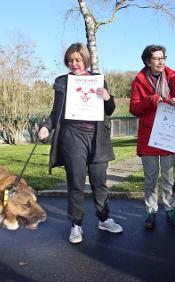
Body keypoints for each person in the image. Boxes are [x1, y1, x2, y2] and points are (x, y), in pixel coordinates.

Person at [39, 43, 123, 244]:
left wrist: (107, 97)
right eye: (70, 60)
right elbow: (55, 112)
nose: (74, 64)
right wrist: (45, 127)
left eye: (77, 59)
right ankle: (76, 225)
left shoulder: (98, 80)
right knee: (76, 182)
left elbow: (110, 109)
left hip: (97, 137)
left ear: (85, 59)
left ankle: (104, 219)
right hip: (72, 136)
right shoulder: (62, 82)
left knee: (99, 181)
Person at [129, 45, 175, 230]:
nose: (161, 61)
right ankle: (151, 211)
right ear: (148, 61)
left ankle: (170, 209)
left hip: (168, 133)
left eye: (163, 57)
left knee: (169, 176)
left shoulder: (172, 78)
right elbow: (134, 109)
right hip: (148, 136)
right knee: (151, 177)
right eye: (156, 58)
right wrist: (149, 100)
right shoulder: (138, 82)